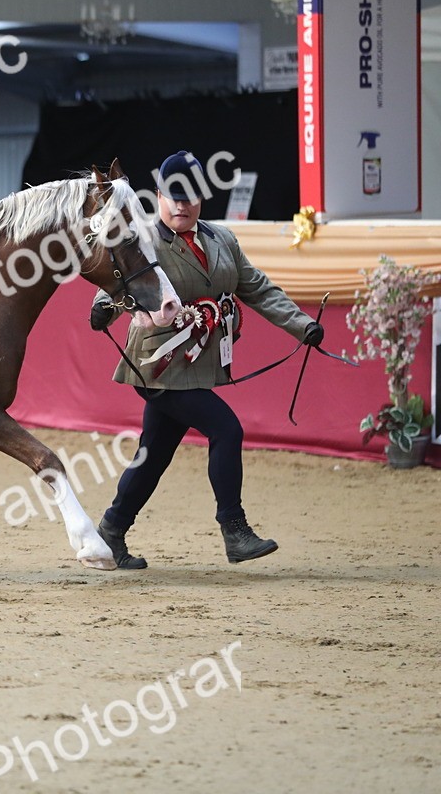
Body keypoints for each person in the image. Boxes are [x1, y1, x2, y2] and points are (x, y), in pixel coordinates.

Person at [88, 150, 324, 569]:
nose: (182, 205)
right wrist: (103, 306)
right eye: (173, 196)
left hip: (196, 365)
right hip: (157, 364)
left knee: (153, 455)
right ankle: (235, 530)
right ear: (158, 195)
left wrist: (302, 325)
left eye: (190, 196)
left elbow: (259, 289)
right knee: (227, 429)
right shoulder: (142, 238)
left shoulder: (222, 241)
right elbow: (118, 278)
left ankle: (110, 530)